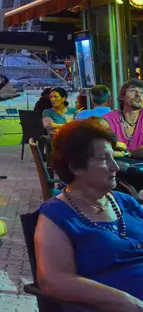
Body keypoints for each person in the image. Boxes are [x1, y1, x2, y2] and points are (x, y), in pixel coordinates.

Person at [35, 119, 143, 308]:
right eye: (103, 160)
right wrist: (125, 301)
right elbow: (53, 280)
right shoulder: (57, 215)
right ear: (76, 167)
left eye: (113, 158)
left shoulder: (125, 201)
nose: (115, 167)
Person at [104, 79, 143, 158]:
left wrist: (127, 154)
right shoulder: (110, 120)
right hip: (116, 168)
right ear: (122, 97)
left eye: (142, 92)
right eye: (133, 91)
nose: (138, 94)